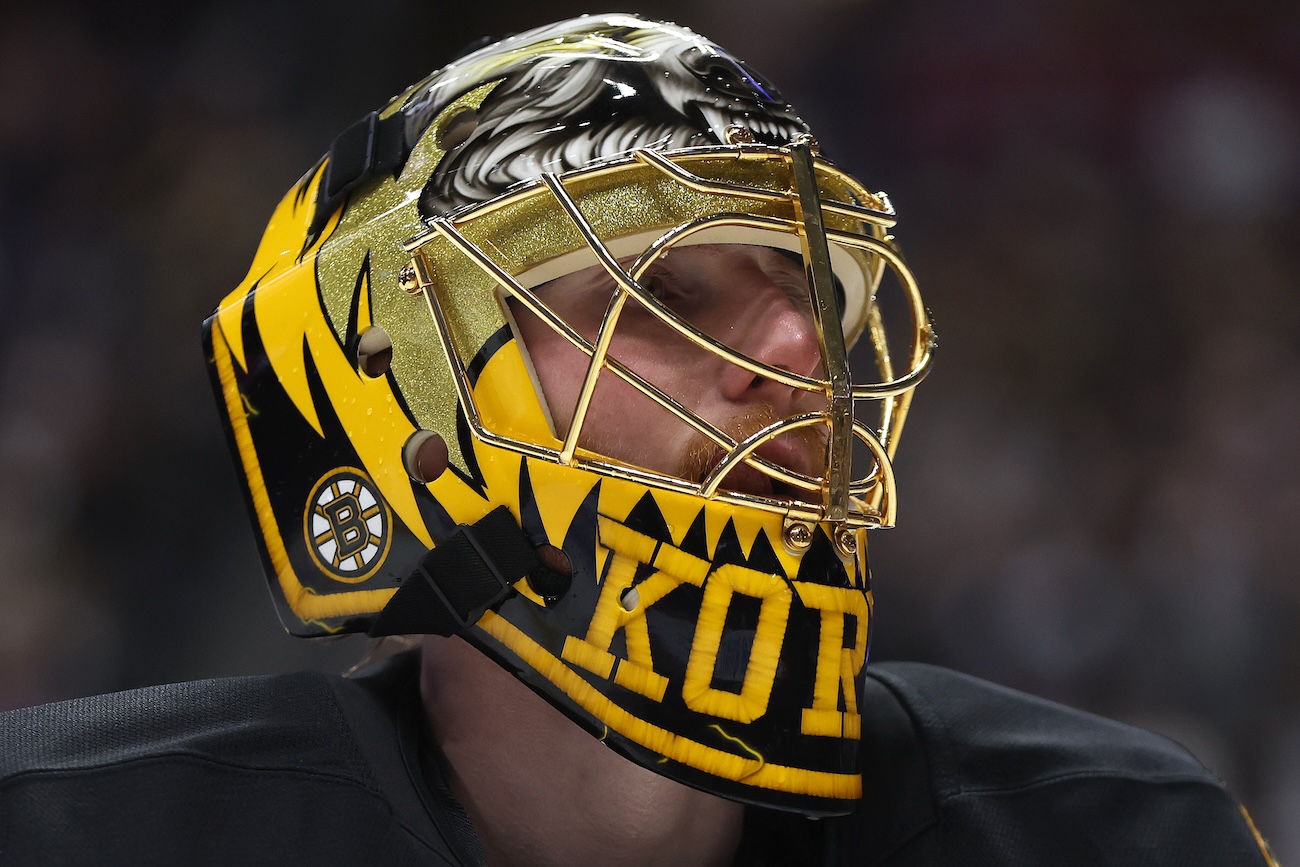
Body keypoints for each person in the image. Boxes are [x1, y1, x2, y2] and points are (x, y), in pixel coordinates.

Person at [0, 14, 1279, 866]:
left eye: (808, 297)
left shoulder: (1114, 834)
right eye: (664, 296)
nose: (797, 357)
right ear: (405, 394)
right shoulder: (77, 830)